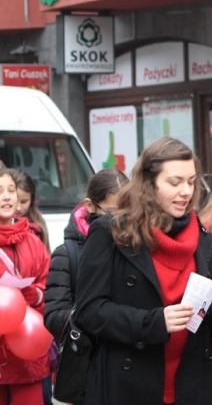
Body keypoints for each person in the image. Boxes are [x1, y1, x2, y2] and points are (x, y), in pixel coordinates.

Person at [74, 138, 212, 405]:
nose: (186, 192)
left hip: (195, 386)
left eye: (191, 181)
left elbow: (203, 309)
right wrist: (152, 323)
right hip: (130, 387)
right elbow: (89, 311)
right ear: (148, 184)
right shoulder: (110, 231)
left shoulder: (202, 237)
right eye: (174, 183)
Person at [43, 168, 128, 405]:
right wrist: (91, 314)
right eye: (111, 212)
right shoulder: (67, 253)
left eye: (127, 212)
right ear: (91, 206)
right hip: (87, 367)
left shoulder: (137, 247)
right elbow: (53, 315)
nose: (120, 220)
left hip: (129, 365)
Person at [0, 168, 51, 405]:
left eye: (11, 190)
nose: (7, 197)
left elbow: (51, 283)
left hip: (27, 354)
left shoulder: (32, 239)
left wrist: (37, 295)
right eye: (0, 191)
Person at [10, 169, 50, 251]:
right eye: (14, 201)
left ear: (32, 200)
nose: (18, 208)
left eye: (24, 202)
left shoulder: (37, 225)